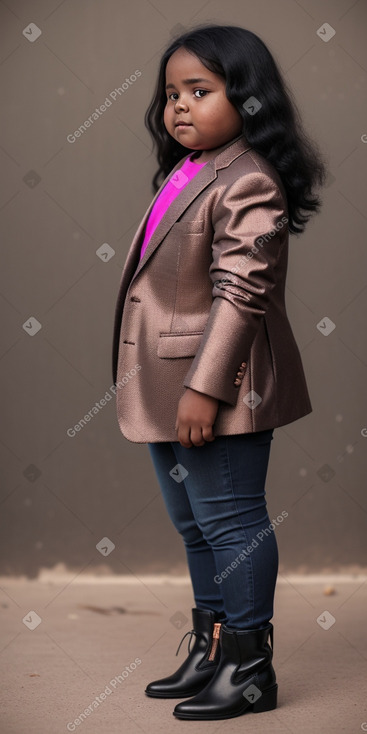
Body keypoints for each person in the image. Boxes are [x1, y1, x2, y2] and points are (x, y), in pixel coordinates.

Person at [112, 24, 326, 721]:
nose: (179, 107)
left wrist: (205, 388)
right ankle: (211, 647)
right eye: (171, 93)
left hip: (217, 387)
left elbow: (242, 293)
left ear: (248, 98)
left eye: (199, 91)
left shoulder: (248, 180)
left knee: (231, 523)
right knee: (194, 525)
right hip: (163, 384)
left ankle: (249, 664)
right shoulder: (190, 170)